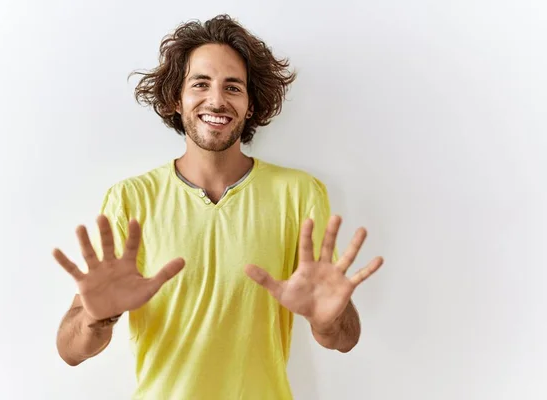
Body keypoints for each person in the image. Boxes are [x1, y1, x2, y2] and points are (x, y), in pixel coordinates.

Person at [53, 14, 384, 400]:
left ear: (249, 105)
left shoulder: (299, 193)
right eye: (200, 84)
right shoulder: (131, 199)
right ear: (177, 98)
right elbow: (70, 351)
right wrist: (97, 318)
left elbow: (342, 339)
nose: (216, 100)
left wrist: (330, 321)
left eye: (233, 87)